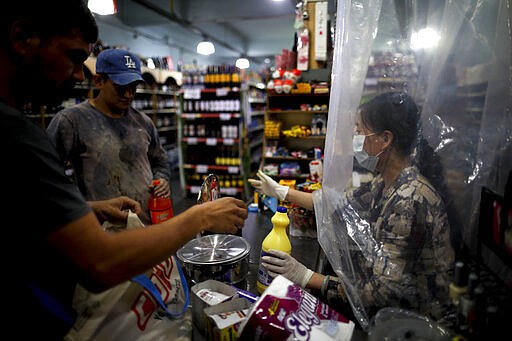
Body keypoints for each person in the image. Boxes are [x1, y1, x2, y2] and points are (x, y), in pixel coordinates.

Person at [0, 1, 247, 339]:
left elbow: (34, 200)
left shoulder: (142, 121)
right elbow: (98, 263)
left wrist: (92, 206)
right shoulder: (42, 129)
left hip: (138, 228)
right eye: (73, 58)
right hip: (98, 250)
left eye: (134, 87)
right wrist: (199, 217)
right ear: (22, 37)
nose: (77, 75)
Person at [249, 92, 455, 326]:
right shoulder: (386, 181)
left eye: (360, 131)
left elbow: (382, 291)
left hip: (413, 324)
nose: (355, 137)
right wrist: (281, 192)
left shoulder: (410, 199)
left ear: (385, 139)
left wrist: (307, 276)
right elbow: (336, 204)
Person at [47, 48, 171, 225]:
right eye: (121, 87)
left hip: (144, 225)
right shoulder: (72, 121)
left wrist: (162, 179)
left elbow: (160, 160)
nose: (129, 95)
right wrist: (83, 207)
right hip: (100, 230)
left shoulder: (143, 122)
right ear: (99, 81)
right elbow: (45, 177)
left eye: (133, 87)